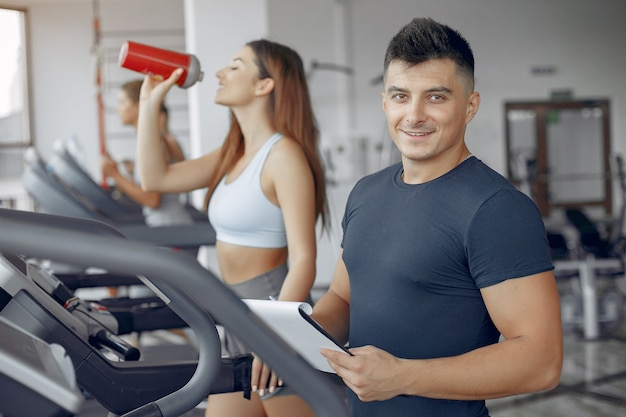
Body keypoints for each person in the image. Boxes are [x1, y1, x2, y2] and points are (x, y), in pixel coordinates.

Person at [255, 17, 564, 417]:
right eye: (401, 97)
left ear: (470, 106)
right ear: (385, 102)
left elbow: (542, 361)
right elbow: (343, 298)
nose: (414, 115)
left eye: (436, 98)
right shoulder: (366, 192)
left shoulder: (497, 209)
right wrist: (289, 340)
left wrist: (403, 376)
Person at [135, 39, 328, 417]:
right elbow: (154, 179)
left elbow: (305, 258)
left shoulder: (283, 155)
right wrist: (149, 105)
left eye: (236, 66)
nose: (221, 73)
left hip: (271, 318)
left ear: (264, 85)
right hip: (234, 317)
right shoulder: (233, 153)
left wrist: (278, 338)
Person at [101, 79, 193, 227]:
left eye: (122, 102)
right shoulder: (152, 140)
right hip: (168, 228)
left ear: (138, 106)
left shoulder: (154, 143)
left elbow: (153, 200)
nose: (118, 109)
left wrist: (115, 175)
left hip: (172, 233)